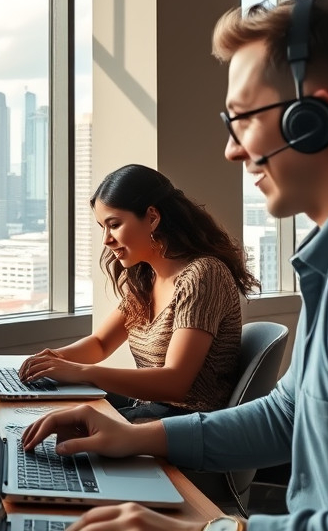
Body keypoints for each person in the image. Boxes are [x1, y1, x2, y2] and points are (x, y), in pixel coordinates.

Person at [21, 0, 328, 531]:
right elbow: (289, 415)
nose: (231, 148)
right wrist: (135, 438)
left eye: (242, 119)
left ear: (314, 116)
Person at [19, 164, 258, 420]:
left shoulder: (203, 275)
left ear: (152, 218)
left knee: (61, 424)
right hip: (151, 409)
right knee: (46, 406)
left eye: (114, 225)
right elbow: (101, 343)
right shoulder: (146, 277)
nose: (106, 239)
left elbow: (175, 382)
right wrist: (50, 360)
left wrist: (79, 372)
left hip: (187, 421)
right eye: (102, 227)